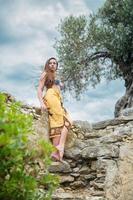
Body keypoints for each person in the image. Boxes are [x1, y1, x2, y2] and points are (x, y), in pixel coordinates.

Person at [37, 57, 73, 161]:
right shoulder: (45, 74)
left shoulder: (56, 76)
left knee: (66, 121)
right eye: (50, 63)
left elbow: (60, 86)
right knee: (59, 122)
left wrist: (61, 84)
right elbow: (39, 89)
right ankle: (58, 148)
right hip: (51, 97)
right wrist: (41, 102)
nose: (52, 64)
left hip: (57, 98)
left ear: (57, 65)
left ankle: (57, 150)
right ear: (47, 65)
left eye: (54, 63)